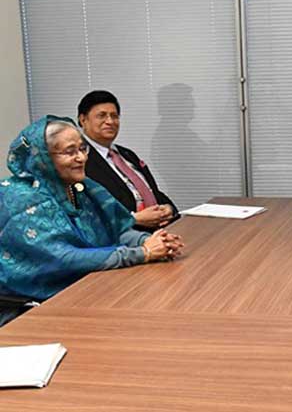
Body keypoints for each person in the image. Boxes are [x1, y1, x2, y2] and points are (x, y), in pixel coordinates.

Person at [0, 116, 184, 326]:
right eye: (70, 152)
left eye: (82, 148)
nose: (81, 158)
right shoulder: (21, 198)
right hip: (33, 305)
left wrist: (148, 240)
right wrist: (143, 253)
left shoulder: (82, 187)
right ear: (41, 157)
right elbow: (64, 258)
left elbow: (117, 230)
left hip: (88, 285)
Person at [78, 90, 178, 231]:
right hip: (127, 236)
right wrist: (133, 219)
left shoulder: (127, 154)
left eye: (114, 116)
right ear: (83, 120)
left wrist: (169, 209)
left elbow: (152, 191)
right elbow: (88, 212)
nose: (110, 121)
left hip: (163, 228)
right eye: (101, 116)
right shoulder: (79, 161)